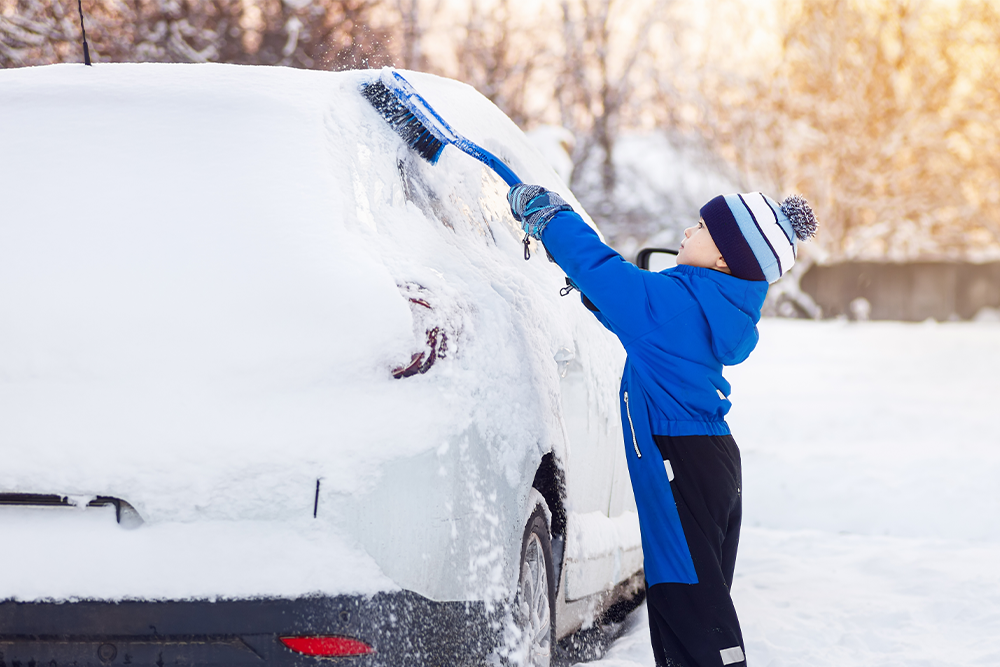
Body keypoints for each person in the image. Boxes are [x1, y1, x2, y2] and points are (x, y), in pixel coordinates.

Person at [507, 185, 817, 667]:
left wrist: (552, 218)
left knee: (691, 606)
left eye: (703, 228)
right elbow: (636, 316)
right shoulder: (707, 303)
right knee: (687, 600)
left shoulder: (672, 302)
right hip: (707, 462)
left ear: (722, 260)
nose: (688, 229)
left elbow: (600, 269)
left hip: (682, 461)